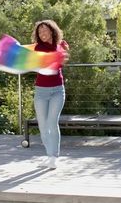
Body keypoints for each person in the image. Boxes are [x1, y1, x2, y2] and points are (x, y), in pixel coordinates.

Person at [30, 20, 69, 169]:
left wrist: (62, 52)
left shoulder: (60, 47)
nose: (42, 33)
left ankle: (54, 157)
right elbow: (32, 63)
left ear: (52, 31)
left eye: (45, 30)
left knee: (52, 123)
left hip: (57, 91)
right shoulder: (37, 48)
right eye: (40, 32)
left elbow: (60, 62)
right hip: (40, 91)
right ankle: (49, 154)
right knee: (43, 125)